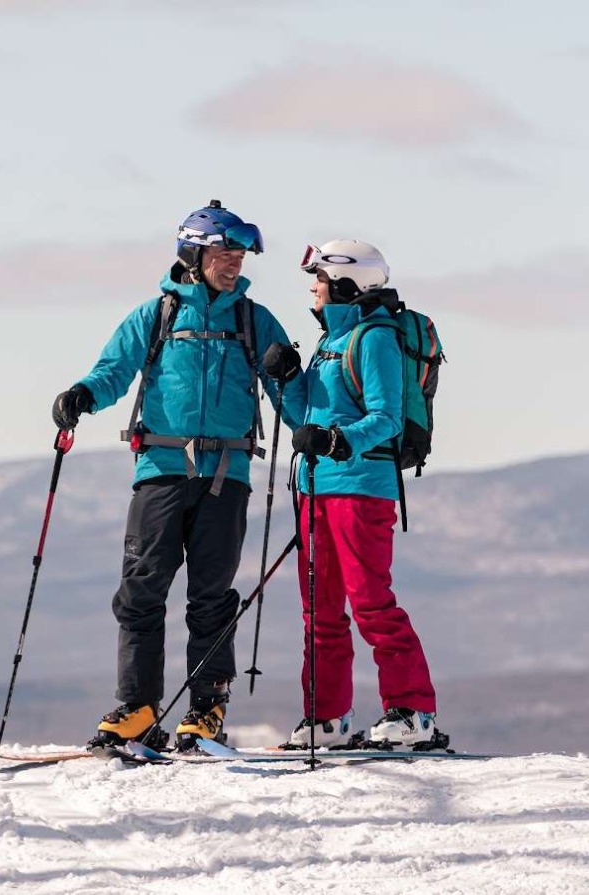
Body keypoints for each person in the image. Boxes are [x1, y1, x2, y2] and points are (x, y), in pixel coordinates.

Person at [51, 200, 298, 751]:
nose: (233, 262)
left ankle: (206, 709)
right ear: (193, 252)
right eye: (222, 252)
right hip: (161, 471)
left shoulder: (254, 321)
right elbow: (113, 370)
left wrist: (295, 378)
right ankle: (138, 707)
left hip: (227, 476)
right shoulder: (156, 315)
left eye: (238, 253)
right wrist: (82, 396)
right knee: (142, 590)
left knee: (211, 596)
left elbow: (295, 405)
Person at [263, 239, 444, 749]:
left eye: (318, 280)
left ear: (345, 284)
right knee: (318, 610)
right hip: (315, 488)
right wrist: (286, 379)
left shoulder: (374, 339)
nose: (312, 290)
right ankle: (326, 718)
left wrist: (338, 440)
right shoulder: (329, 343)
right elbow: (304, 419)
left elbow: (385, 419)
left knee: (369, 603)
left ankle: (413, 712)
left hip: (361, 487)